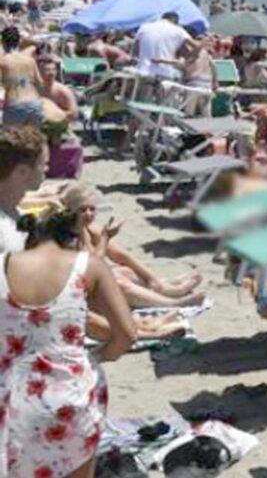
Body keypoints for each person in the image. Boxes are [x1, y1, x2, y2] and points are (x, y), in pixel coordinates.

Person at [1, 208, 136, 478]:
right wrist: (100, 356)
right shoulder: (89, 265)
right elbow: (127, 334)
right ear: (72, 240)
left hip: (13, 398)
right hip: (71, 394)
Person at [62, 184, 206, 309]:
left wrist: (151, 278)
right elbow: (94, 268)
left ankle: (166, 288)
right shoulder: (68, 237)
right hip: (77, 292)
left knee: (126, 271)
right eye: (82, 210)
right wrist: (105, 237)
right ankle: (173, 304)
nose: (89, 214)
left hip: (92, 282)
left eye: (92, 209)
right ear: (71, 211)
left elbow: (120, 255)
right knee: (117, 281)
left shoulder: (89, 228)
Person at [0, 125, 47, 253]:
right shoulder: (5, 236)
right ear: (22, 171)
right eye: (43, 164)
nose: (46, 170)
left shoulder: (14, 211)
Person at [133, 12, 197, 82]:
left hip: (143, 71)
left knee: (139, 92)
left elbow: (136, 50)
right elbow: (195, 46)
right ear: (175, 21)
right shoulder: (179, 31)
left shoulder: (144, 27)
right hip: (164, 74)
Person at [1, 26, 44, 127]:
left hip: (14, 103)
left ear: (3, 42)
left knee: (12, 140)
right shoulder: (30, 60)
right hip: (34, 103)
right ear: (19, 42)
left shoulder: (3, 61)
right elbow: (40, 83)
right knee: (32, 139)